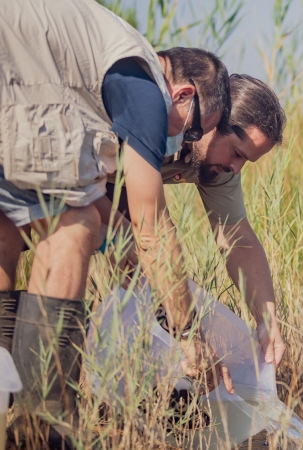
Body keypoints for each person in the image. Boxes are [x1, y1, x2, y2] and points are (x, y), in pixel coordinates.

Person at [0, 0, 231, 446]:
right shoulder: (144, 88)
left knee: (7, 226)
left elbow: (125, 232)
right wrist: (187, 335)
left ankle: (7, 394)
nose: (186, 141)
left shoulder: (100, 68)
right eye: (195, 129)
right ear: (183, 95)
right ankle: (40, 427)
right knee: (72, 224)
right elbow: (152, 227)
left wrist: (157, 302)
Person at [102, 73, 288, 371]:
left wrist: (267, 320)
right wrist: (187, 334)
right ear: (211, 123)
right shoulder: (155, 120)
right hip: (73, 173)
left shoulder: (220, 164)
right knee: (135, 255)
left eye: (245, 161)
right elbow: (148, 234)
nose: (235, 168)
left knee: (143, 269)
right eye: (237, 153)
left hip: (114, 182)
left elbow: (236, 235)